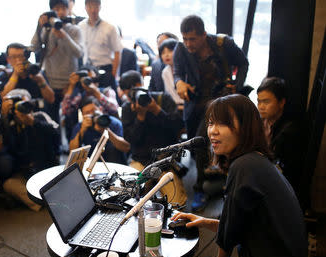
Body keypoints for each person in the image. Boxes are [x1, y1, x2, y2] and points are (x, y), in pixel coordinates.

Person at [167, 94, 308, 257]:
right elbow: (244, 224)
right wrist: (204, 221)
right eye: (211, 122)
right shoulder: (257, 160)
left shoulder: (243, 165)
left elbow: (231, 231)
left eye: (223, 123)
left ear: (245, 127)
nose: (212, 130)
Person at [173, 15, 248, 210]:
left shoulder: (224, 44)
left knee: (200, 141)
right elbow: (177, 73)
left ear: (204, 35)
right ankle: (213, 180)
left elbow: (243, 63)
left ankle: (201, 188)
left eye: (193, 39)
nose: (188, 43)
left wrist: (236, 86)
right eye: (185, 38)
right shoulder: (181, 49)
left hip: (219, 101)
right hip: (195, 103)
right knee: (196, 146)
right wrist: (179, 82)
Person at [120, 70, 187, 206]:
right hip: (141, 160)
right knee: (129, 198)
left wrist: (157, 110)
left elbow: (178, 128)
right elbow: (131, 140)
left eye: (134, 88)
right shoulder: (128, 108)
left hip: (165, 161)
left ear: (141, 84)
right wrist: (140, 117)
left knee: (176, 204)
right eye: (128, 92)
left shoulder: (163, 99)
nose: (133, 95)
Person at [0, 89, 60, 211]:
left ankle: (39, 199)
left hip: (46, 168)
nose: (23, 107)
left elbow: (56, 135)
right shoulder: (9, 123)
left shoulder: (40, 116)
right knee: (8, 185)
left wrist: (33, 123)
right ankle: (42, 200)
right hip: (25, 173)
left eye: (25, 103)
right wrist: (5, 117)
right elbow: (9, 148)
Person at [31, 0, 83, 125]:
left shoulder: (75, 29)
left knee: (71, 120)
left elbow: (79, 53)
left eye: (63, 8)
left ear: (68, 9)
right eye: (57, 9)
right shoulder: (47, 30)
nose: (60, 12)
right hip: (50, 81)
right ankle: (55, 143)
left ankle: (72, 143)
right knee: (52, 120)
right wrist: (39, 26)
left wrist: (64, 36)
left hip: (69, 82)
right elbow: (34, 47)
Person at [257, 77, 306, 196]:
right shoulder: (260, 122)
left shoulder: (288, 131)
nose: (261, 106)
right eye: (259, 101)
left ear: (281, 102)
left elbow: (286, 170)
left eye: (266, 102)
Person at [61, 65, 119, 143]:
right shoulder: (80, 96)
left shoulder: (107, 91)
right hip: (88, 129)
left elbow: (114, 108)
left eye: (93, 79)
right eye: (87, 80)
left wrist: (96, 92)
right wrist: (71, 86)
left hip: (108, 128)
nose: (89, 82)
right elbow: (66, 111)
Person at [69, 96, 129, 164]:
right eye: (87, 113)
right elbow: (72, 151)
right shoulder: (80, 126)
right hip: (93, 165)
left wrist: (106, 131)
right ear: (83, 115)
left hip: (115, 164)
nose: (92, 114)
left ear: (100, 109)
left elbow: (126, 148)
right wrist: (82, 131)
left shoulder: (113, 123)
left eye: (93, 111)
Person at [79, 0, 122, 90]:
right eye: (90, 6)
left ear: (100, 7)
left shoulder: (110, 27)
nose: (93, 10)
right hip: (88, 69)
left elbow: (117, 51)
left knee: (108, 100)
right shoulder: (80, 26)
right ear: (85, 7)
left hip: (105, 69)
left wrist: (113, 75)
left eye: (96, 6)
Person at [158, 38, 184, 110]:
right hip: (174, 107)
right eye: (163, 52)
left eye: (170, 51)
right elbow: (169, 94)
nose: (166, 55)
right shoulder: (165, 72)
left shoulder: (185, 68)